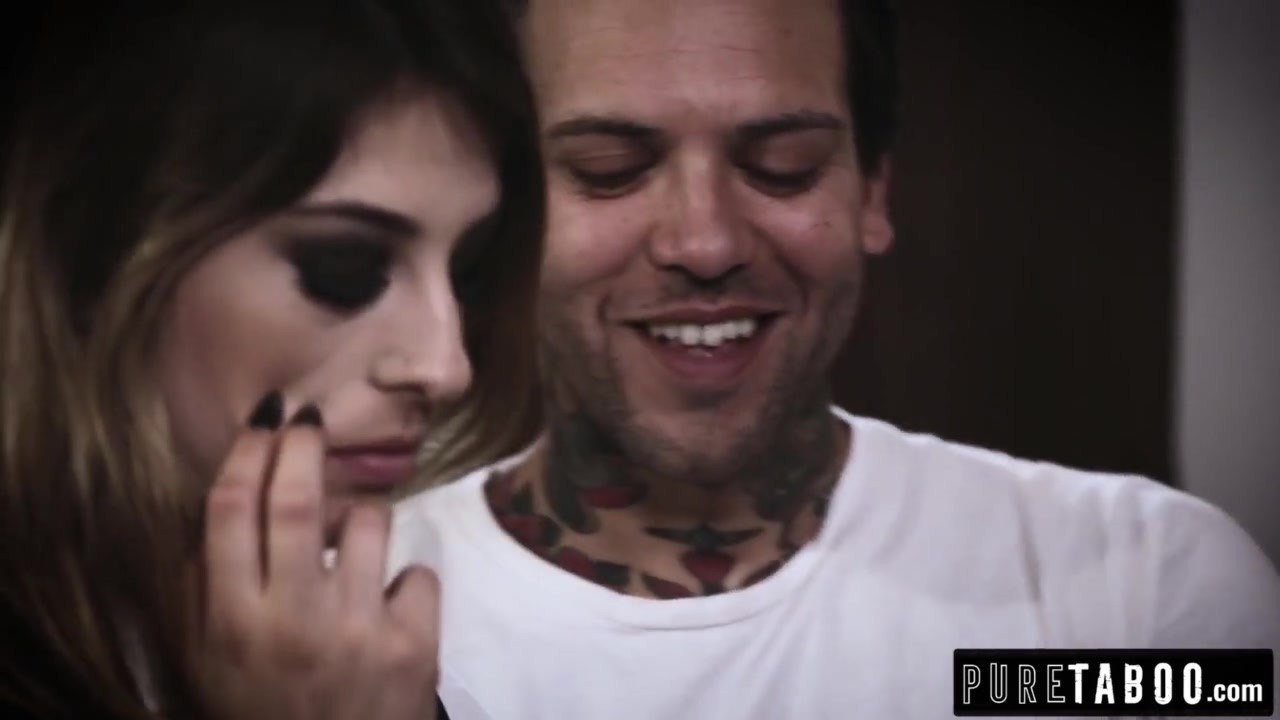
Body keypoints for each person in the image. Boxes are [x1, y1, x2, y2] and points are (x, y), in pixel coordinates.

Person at [389, 0, 1280, 717]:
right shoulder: (351, 627)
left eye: (783, 165)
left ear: (874, 193)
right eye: (610, 168)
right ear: (501, 210)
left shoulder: (1143, 592)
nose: (706, 242)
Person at [0, 1, 540, 718]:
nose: (446, 368)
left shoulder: (341, 655)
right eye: (344, 268)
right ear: (88, 261)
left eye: (468, 272)